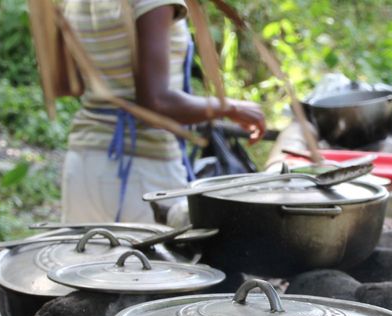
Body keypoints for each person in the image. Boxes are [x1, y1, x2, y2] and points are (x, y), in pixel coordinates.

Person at [60, 0, 266, 223]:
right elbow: (156, 102)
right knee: (158, 258)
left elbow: (67, 85)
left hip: (83, 163)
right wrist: (228, 107)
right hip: (142, 172)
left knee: (85, 258)